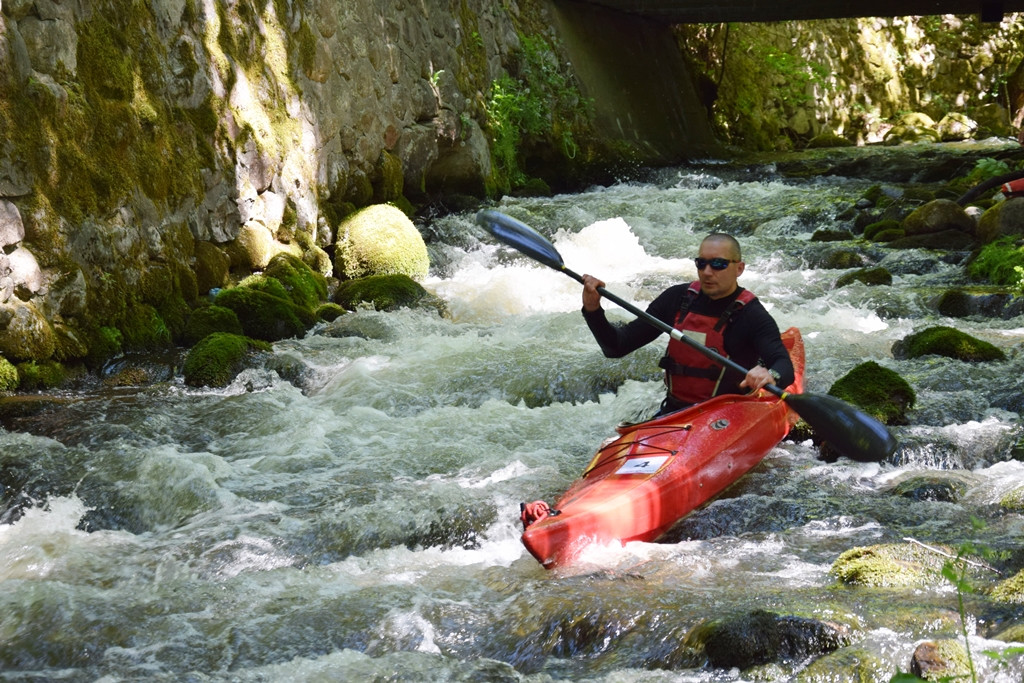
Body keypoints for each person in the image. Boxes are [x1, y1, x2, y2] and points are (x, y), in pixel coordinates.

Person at [581, 232, 794, 415]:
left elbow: (783, 364)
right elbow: (617, 347)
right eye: (701, 263)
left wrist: (770, 375)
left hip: (728, 416)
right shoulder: (677, 299)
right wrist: (593, 310)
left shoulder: (751, 314)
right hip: (676, 412)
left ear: (739, 268)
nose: (707, 272)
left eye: (718, 264)